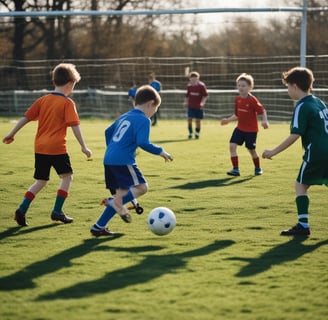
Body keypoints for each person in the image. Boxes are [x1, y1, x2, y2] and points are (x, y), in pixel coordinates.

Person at [2, 63, 92, 226]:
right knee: (67, 177)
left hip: (40, 147)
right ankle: (57, 211)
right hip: (57, 148)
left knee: (41, 181)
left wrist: (12, 133)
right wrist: (83, 146)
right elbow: (75, 126)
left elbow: (26, 117)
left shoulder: (42, 100)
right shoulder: (67, 103)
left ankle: (22, 209)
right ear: (70, 84)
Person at [90, 85, 173, 237]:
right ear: (150, 103)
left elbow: (107, 132)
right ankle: (114, 202)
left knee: (122, 195)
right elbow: (143, 142)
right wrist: (161, 151)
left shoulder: (124, 116)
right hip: (123, 161)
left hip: (109, 159)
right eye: (155, 110)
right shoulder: (143, 120)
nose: (153, 114)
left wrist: (114, 148)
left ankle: (98, 227)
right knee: (142, 188)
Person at [262, 67, 328, 236]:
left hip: (317, 153)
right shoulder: (318, 102)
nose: (288, 90)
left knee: (300, 185)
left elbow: (295, 135)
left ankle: (303, 225)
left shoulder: (302, 106)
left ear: (295, 86)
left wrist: (273, 151)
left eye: (288, 86)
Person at [221, 73, 269, 176]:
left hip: (251, 131)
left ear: (250, 87)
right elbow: (237, 115)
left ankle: (258, 168)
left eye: (243, 85)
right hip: (240, 128)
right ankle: (235, 169)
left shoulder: (252, 100)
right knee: (232, 146)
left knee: (251, 150)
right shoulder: (237, 99)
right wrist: (228, 120)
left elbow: (262, 111)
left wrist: (264, 121)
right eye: (239, 85)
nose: (240, 88)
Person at [183, 71, 208, 139]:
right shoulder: (189, 86)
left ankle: (197, 133)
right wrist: (185, 102)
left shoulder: (201, 86)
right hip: (191, 106)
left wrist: (202, 102)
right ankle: (190, 133)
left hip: (198, 107)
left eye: (195, 79)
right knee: (189, 119)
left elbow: (205, 96)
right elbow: (187, 96)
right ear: (190, 79)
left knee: (198, 120)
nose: (193, 80)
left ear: (198, 79)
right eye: (192, 79)